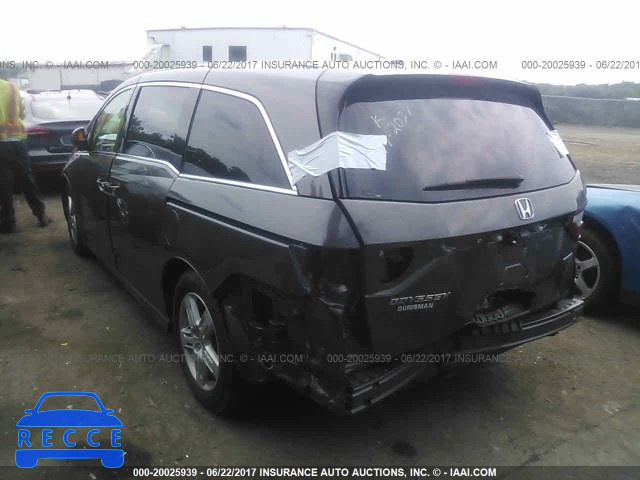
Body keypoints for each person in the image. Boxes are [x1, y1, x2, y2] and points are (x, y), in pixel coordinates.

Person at [0, 78, 51, 233]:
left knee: (4, 184)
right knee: (26, 179)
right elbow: (21, 113)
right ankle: (41, 215)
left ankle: (8, 223)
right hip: (17, 140)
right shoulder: (11, 87)